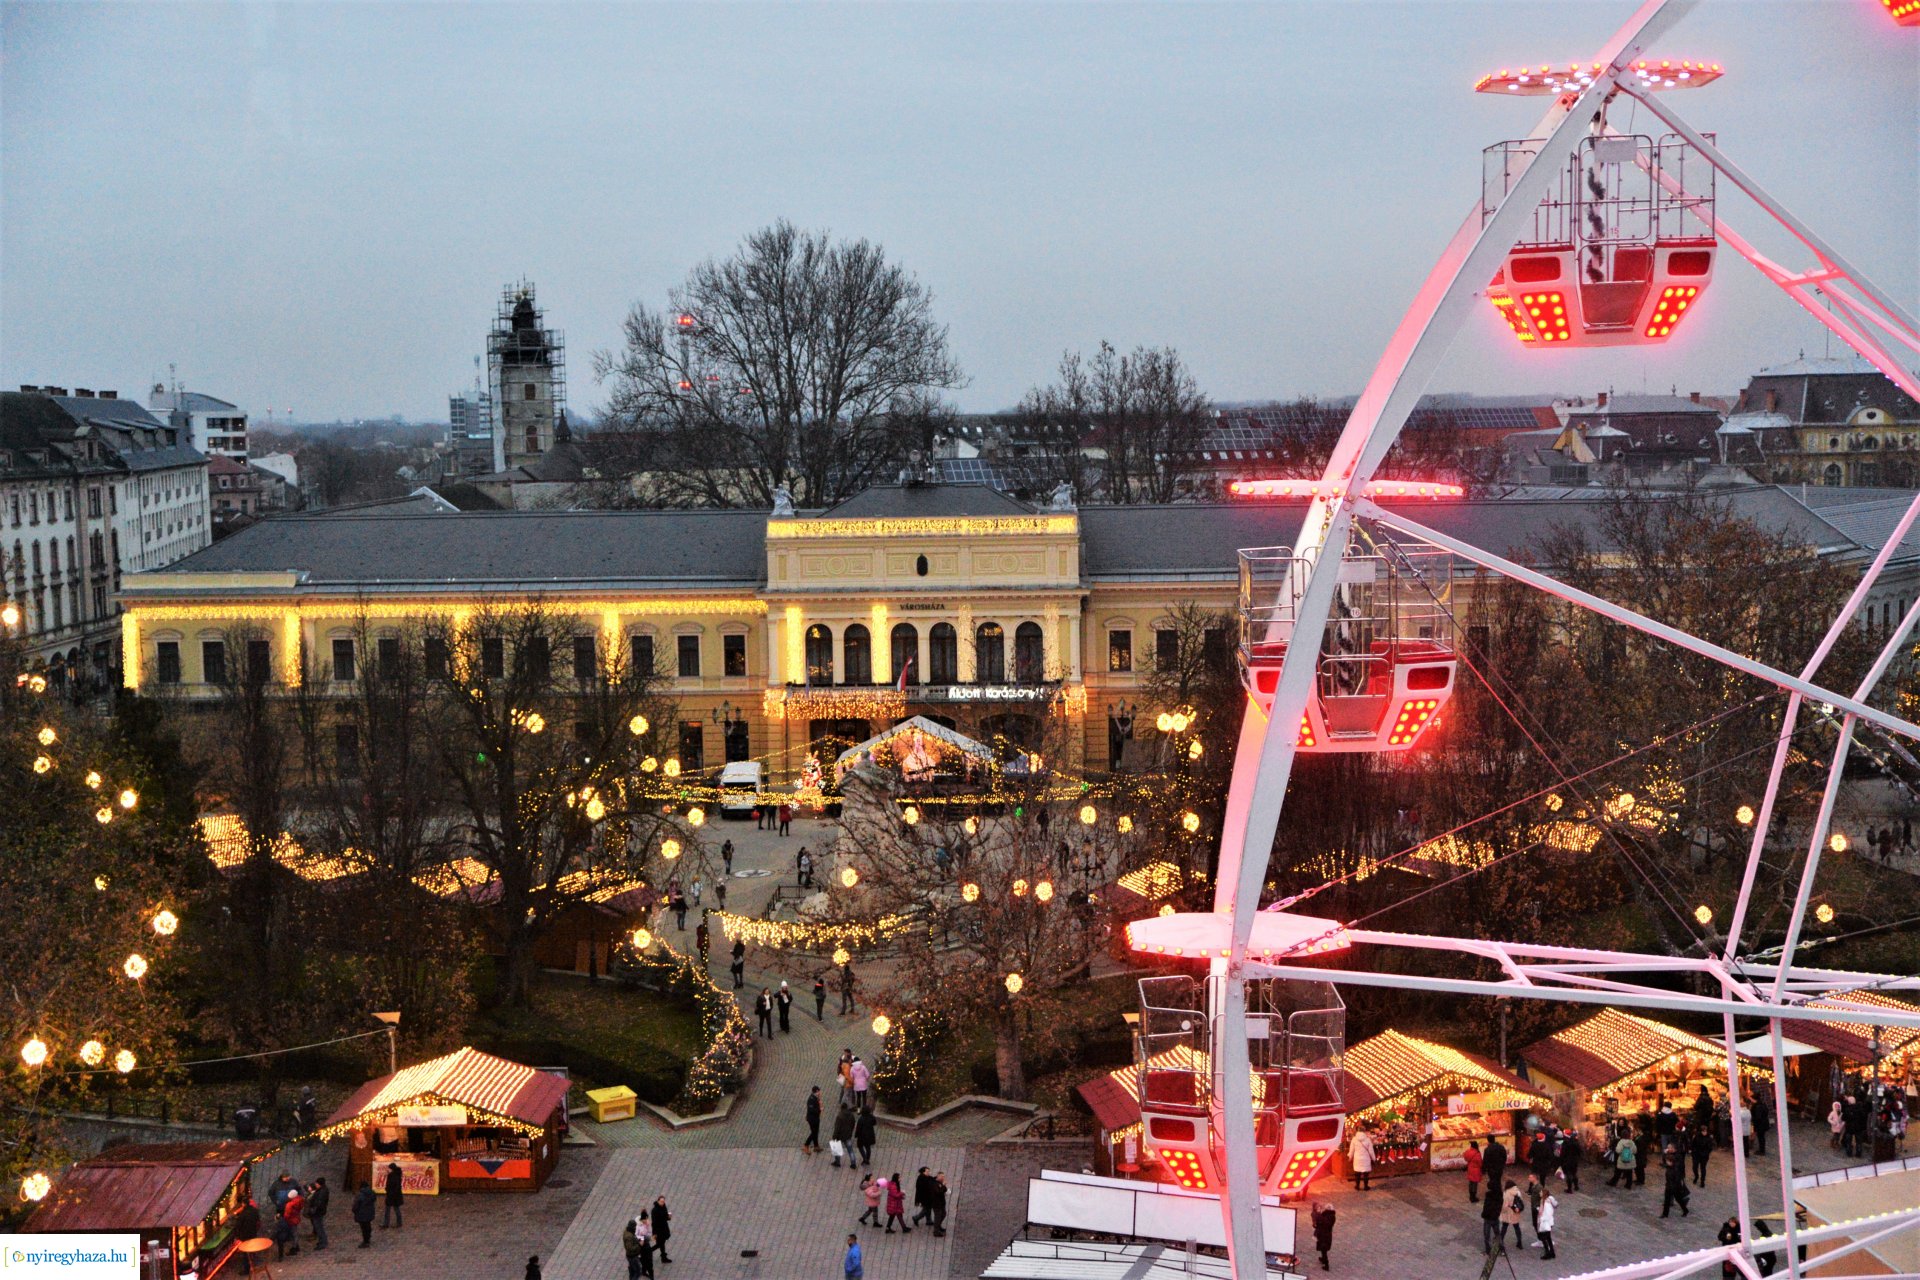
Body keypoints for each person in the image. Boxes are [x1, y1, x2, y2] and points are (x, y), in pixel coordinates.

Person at [1660, 1145, 1691, 1218]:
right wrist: (1664, 1154)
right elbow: (1664, 1161)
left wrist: (1673, 1186)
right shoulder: (1670, 1165)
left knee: (1679, 1199)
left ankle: (1685, 1210)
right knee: (1667, 1200)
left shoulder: (1676, 1167)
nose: (1668, 1149)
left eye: (1669, 1148)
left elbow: (1677, 1178)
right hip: (1669, 1184)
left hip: (1675, 1186)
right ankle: (1665, 1214)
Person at [234, 1198, 263, 1273]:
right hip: (253, 1232)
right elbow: (257, 1219)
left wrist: (238, 1235)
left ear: (243, 1204)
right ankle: (253, 1258)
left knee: (245, 1251)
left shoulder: (243, 1214)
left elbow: (238, 1225)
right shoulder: (254, 1210)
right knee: (252, 1247)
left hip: (245, 1235)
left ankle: (246, 1269)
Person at [276, 1186, 304, 1259]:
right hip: (296, 1218)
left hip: (291, 1220)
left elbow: (286, 1215)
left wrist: (281, 1218)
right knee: (294, 1232)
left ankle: (294, 1248)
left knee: (293, 1233)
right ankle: (296, 1246)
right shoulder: (300, 1199)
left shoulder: (289, 1205)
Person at [1499, 1179, 1526, 1250]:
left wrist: (1502, 1211)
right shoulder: (1517, 1191)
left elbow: (1504, 1205)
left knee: (1504, 1227)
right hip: (1515, 1212)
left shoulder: (1506, 1193)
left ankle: (1500, 1242)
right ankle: (1519, 1243)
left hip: (1508, 1212)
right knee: (1517, 1227)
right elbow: (1521, 1201)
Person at [1480, 1173, 1504, 1254]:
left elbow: (1487, 1206)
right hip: (1495, 1218)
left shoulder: (1489, 1195)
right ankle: (1501, 1249)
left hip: (1488, 1218)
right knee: (1497, 1234)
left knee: (1487, 1235)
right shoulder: (1500, 1196)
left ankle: (1488, 1250)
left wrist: (1485, 1214)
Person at [305, 1175, 330, 1251]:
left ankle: (323, 1242)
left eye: (316, 1184)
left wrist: (312, 1210)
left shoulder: (322, 1192)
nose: (315, 1185)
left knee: (319, 1228)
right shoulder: (322, 1190)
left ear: (320, 1184)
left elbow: (319, 1203)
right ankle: (322, 1241)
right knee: (319, 1227)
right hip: (319, 1212)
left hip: (318, 1213)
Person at [1310, 1200, 1336, 1271]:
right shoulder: (1328, 1215)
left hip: (1325, 1236)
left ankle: (1326, 1264)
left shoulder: (1330, 1217)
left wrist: (1318, 1215)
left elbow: (1325, 1223)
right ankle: (1323, 1259)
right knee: (1322, 1248)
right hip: (1323, 1235)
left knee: (1324, 1249)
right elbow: (1320, 1224)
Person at [1348, 1125, 1375, 1191]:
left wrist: (1350, 1157)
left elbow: (1351, 1150)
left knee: (1357, 1174)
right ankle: (1366, 1187)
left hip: (1357, 1158)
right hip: (1366, 1158)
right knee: (1366, 1174)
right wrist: (1373, 1158)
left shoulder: (1354, 1139)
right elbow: (1371, 1151)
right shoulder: (1368, 1139)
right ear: (1364, 1131)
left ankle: (1357, 1186)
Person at [832, 1103, 857, 1168]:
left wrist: (834, 1136)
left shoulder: (839, 1116)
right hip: (848, 1135)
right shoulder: (851, 1115)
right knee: (850, 1150)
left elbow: (837, 1128)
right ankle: (853, 1163)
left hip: (839, 1135)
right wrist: (850, 1131)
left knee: (837, 1149)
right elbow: (853, 1124)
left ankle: (837, 1162)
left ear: (841, 1108)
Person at [1690, 1122, 1715, 1187]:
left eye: (1705, 1131)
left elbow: (1710, 1147)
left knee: (1703, 1168)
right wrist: (1693, 1152)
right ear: (1701, 1131)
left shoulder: (1709, 1138)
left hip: (1704, 1156)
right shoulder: (1697, 1136)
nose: (1704, 1133)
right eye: (1703, 1131)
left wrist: (1706, 1153)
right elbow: (1693, 1145)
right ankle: (1696, 1176)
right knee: (1694, 1167)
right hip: (1696, 1155)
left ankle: (1702, 1181)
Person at [650, 1196, 673, 1265]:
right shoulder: (654, 1210)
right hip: (658, 1230)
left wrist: (669, 1217)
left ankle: (663, 1257)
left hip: (664, 1228)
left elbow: (665, 1217)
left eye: (663, 1201)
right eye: (661, 1201)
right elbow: (654, 1223)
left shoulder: (664, 1207)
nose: (662, 1203)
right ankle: (647, 1252)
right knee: (659, 1244)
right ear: (658, 1201)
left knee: (661, 1243)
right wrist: (654, 1233)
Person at [351, 1182, 375, 1248]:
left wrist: (354, 1210)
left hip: (362, 1214)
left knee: (364, 1228)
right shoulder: (372, 1193)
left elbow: (356, 1206)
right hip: (369, 1213)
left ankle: (365, 1241)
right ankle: (368, 1238)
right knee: (368, 1226)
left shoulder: (360, 1195)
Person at [382, 1160, 404, 1228]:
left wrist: (388, 1191)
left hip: (392, 1195)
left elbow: (391, 1186)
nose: (387, 1170)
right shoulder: (396, 1175)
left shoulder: (392, 1176)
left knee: (388, 1210)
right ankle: (399, 1223)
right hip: (395, 1196)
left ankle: (386, 1224)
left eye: (388, 1169)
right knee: (396, 1209)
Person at [1537, 1191, 1558, 1260]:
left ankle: (1548, 1253)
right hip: (1548, 1223)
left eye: (1541, 1192)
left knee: (1543, 1238)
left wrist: (1542, 1218)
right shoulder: (1545, 1201)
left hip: (1546, 1223)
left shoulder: (1546, 1203)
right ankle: (1552, 1252)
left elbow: (1548, 1213)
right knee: (1548, 1238)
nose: (1539, 1193)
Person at [855, 1103, 877, 1168]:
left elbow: (858, 1128)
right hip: (869, 1135)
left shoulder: (861, 1119)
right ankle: (867, 1159)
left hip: (862, 1136)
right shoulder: (871, 1117)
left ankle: (865, 1158)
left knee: (860, 1146)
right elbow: (874, 1123)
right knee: (868, 1147)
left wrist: (856, 1135)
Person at [930, 1172, 950, 1237]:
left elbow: (944, 1190)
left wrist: (944, 1187)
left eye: (943, 1176)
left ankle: (938, 1226)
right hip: (936, 1204)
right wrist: (943, 1185)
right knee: (938, 1217)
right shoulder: (934, 1184)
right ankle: (936, 1231)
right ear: (938, 1176)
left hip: (941, 1203)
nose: (943, 1178)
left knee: (943, 1214)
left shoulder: (940, 1182)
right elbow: (938, 1192)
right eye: (942, 1177)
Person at [1464, 1138, 1484, 1203]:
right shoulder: (1477, 1153)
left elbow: (1465, 1158)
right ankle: (1473, 1197)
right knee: (1475, 1183)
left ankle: (1471, 1195)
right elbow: (1480, 1163)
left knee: (1471, 1183)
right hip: (1476, 1170)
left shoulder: (1468, 1152)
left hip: (1470, 1169)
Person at [806, 1085, 824, 1153]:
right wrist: (820, 1109)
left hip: (816, 1118)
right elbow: (811, 1110)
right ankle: (806, 1145)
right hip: (812, 1119)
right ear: (816, 1091)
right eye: (819, 1091)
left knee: (816, 1132)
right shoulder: (811, 1099)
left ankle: (816, 1146)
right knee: (814, 1133)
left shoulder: (816, 1097)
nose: (820, 1092)